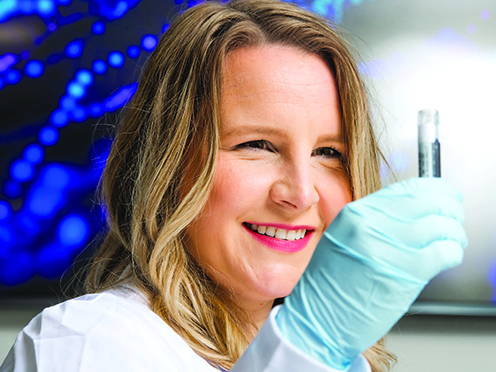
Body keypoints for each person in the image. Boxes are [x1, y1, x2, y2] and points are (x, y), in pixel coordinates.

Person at [1, 0, 467, 371]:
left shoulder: (348, 360)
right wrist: (308, 345)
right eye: (258, 144)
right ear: (167, 163)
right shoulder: (84, 344)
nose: (301, 193)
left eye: (329, 153)